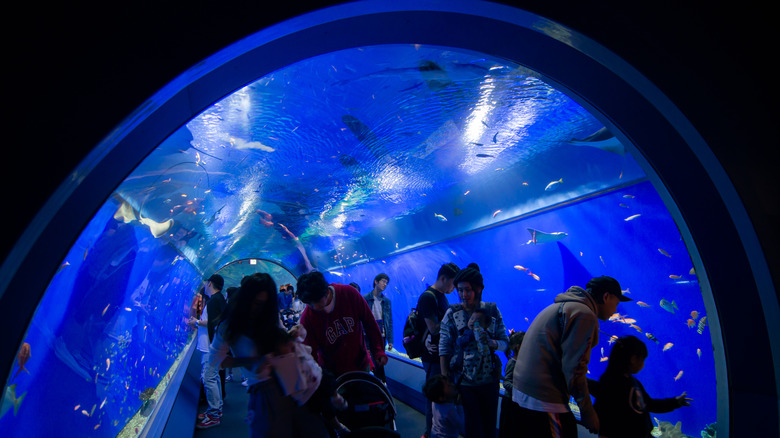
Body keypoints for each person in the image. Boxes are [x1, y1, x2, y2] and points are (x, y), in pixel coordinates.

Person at [209, 272, 329, 437]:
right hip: (265, 392)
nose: (258, 309)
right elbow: (216, 361)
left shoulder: (269, 317)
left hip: (293, 382)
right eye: (256, 303)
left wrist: (289, 336)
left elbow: (279, 341)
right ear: (245, 299)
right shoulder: (228, 326)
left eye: (264, 305)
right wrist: (252, 361)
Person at [511, 275, 631, 437]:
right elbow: (574, 369)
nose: (615, 310)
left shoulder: (564, 306)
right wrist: (587, 411)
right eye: (616, 303)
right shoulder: (584, 315)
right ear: (606, 297)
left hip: (524, 392)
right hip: (543, 398)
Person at [439, 267, 509, 438]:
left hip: (490, 380)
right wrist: (445, 379)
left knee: (489, 427)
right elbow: (444, 347)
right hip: (464, 382)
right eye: (460, 290)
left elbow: (505, 343)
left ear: (478, 289)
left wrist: (492, 343)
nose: (463, 295)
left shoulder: (492, 311)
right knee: (472, 429)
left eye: (468, 290)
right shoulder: (452, 313)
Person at [594, 335, 692, 438]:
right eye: (642, 359)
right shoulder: (610, 381)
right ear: (633, 359)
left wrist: (675, 402)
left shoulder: (634, 383)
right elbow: (602, 412)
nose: (643, 364)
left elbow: (650, 404)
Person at [297, 271, 388, 378]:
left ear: (326, 291)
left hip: (360, 366)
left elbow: (369, 322)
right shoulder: (308, 317)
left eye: (316, 302)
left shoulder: (349, 293)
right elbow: (310, 352)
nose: (314, 307)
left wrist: (378, 351)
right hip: (333, 374)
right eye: (310, 304)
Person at [269, 325, 350, 435]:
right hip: (309, 391)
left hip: (318, 375)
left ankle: (336, 397)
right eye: (284, 346)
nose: (289, 346)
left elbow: (302, 333)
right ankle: (338, 427)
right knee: (325, 407)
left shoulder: (295, 345)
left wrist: (297, 330)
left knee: (330, 382)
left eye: (288, 343)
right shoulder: (279, 361)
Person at [417, 262, 460, 438]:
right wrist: (456, 315)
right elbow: (434, 328)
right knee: (434, 399)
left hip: (442, 354)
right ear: (443, 278)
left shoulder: (442, 296)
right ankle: (430, 433)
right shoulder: (428, 297)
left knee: (440, 399)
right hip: (432, 355)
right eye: (452, 283)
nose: (454, 288)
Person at [187, 274, 225, 429]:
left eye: (205, 283)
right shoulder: (218, 299)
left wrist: (195, 321)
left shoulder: (215, 301)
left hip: (211, 346)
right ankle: (216, 408)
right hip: (213, 345)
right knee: (213, 376)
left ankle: (214, 414)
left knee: (208, 377)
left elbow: (214, 322)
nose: (203, 285)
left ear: (210, 284)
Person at [363, 273, 393, 382]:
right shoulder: (365, 298)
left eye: (386, 283)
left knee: (380, 362)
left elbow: (389, 321)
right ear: (376, 281)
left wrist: (390, 340)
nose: (385, 284)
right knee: (369, 361)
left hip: (382, 335)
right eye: (383, 281)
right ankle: (375, 384)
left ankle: (380, 384)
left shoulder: (387, 301)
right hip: (367, 335)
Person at [498, 330, 525, 438]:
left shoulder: (523, 363)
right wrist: (518, 391)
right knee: (509, 430)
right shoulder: (512, 363)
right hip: (510, 403)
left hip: (518, 402)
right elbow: (506, 382)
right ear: (518, 347)